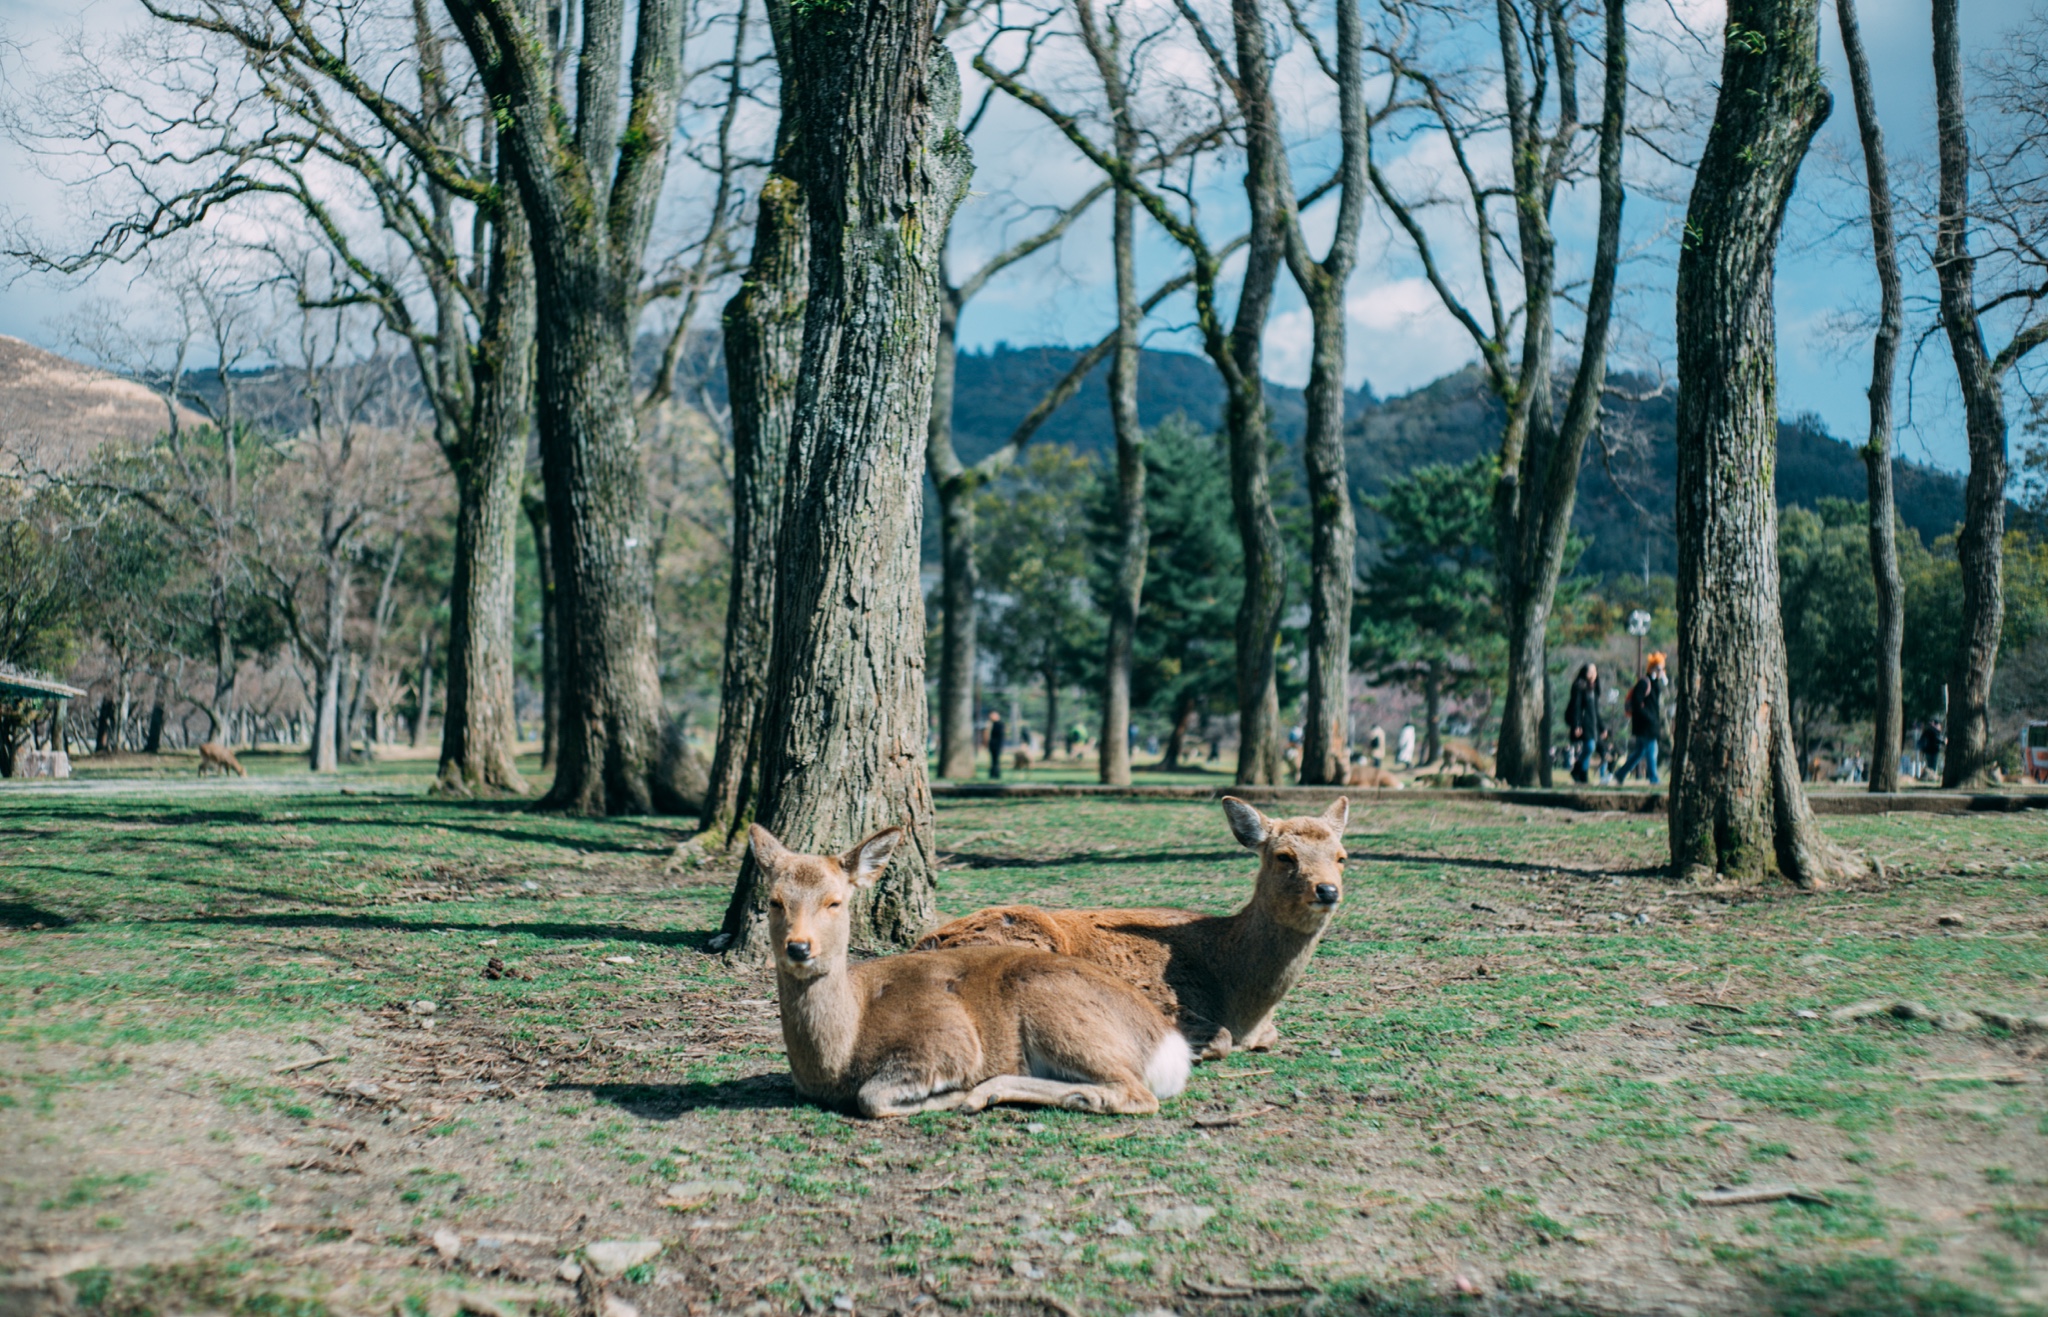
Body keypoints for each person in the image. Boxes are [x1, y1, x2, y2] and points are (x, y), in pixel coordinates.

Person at [1616, 652, 1668, 785]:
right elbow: (1637, 703)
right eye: (1659, 668)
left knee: (1640, 752)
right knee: (1651, 751)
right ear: (1652, 668)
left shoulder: (1655, 683)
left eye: (1662, 668)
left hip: (1649, 724)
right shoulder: (1644, 683)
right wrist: (1649, 717)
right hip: (1645, 725)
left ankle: (1621, 774)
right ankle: (1653, 778)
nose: (1661, 671)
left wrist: (1663, 680)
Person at [1566, 662, 1601, 784]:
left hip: (1593, 724)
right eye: (1590, 671)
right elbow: (1576, 707)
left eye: (1594, 671)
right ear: (1584, 673)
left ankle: (1582, 776)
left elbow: (1596, 711)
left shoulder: (1595, 688)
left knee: (1589, 748)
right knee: (1589, 747)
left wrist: (1602, 728)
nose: (1593, 674)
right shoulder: (1579, 686)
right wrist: (1577, 724)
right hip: (1584, 723)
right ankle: (1577, 770)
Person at [987, 709, 1005, 781]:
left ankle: (995, 774)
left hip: (997, 746)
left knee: (996, 760)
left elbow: (1000, 736)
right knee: (993, 760)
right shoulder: (992, 724)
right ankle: (993, 774)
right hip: (993, 745)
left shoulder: (999, 725)